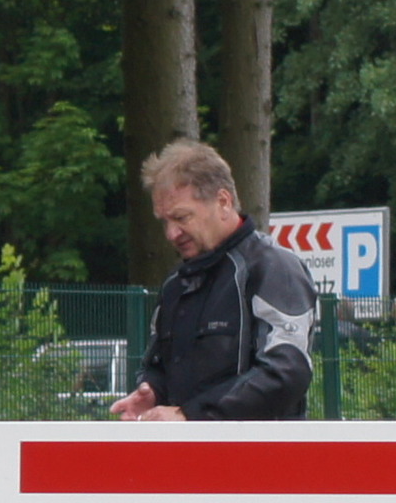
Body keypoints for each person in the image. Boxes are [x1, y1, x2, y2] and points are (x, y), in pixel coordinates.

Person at [114, 141, 315, 423]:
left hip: (264, 456)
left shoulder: (272, 267)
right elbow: (156, 365)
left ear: (223, 202)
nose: (171, 233)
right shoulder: (176, 283)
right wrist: (151, 392)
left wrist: (192, 415)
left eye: (181, 217)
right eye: (164, 222)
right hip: (191, 456)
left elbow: (287, 372)